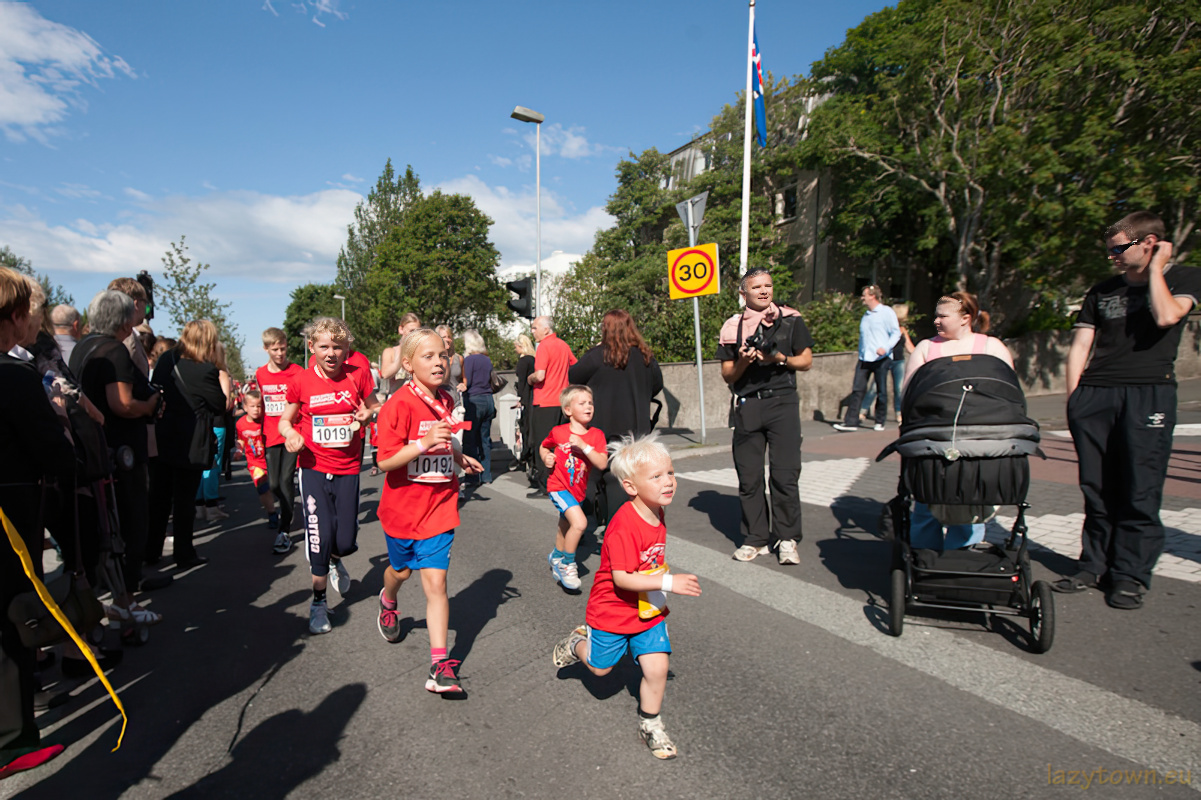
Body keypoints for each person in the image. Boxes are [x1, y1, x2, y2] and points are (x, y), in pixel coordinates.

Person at [1054, 211, 1201, 610]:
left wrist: (1156, 269)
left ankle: (1129, 575)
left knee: (1140, 488)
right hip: (1096, 396)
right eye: (1110, 250)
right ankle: (1092, 565)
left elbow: (1168, 316)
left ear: (1150, 242)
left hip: (1148, 394)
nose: (1112, 257)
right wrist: (1075, 401)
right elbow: (1081, 345)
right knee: (1097, 488)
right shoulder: (1101, 291)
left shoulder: (1184, 279)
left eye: (1119, 249)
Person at [551, 434, 701, 760]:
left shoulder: (658, 511)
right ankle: (577, 643)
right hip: (612, 610)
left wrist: (659, 586)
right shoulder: (623, 525)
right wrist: (669, 581)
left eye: (670, 473)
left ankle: (650, 723)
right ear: (631, 487)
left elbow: (648, 561)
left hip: (647, 608)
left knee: (657, 667)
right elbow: (620, 578)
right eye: (657, 477)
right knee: (601, 669)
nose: (668, 482)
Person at [373, 328, 483, 693]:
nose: (439, 362)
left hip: (439, 507)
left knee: (436, 583)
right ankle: (388, 600)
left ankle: (440, 664)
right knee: (401, 573)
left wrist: (458, 456)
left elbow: (445, 435)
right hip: (402, 511)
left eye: (442, 355)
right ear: (407, 365)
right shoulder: (398, 405)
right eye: (428, 357)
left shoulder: (446, 399)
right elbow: (386, 461)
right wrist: (421, 444)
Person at [0, 267, 74, 776]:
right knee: (14, 621)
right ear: (15, 315)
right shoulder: (12, 375)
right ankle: (13, 739)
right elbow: (54, 454)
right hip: (11, 514)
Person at [278, 318, 380, 635]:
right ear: (312, 347)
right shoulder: (302, 381)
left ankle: (337, 559)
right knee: (319, 536)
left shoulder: (358, 375)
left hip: (348, 467)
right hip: (313, 468)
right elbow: (285, 419)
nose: (331, 353)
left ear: (347, 348)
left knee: (346, 540)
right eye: (324, 346)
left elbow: (376, 405)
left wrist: (369, 413)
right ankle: (319, 602)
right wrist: (289, 436)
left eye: (337, 346)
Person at [902, 292, 1015, 549]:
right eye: (936, 316)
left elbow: (1008, 394)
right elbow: (909, 395)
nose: (936, 321)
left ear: (966, 318)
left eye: (943, 316)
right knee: (926, 505)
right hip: (934, 439)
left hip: (979, 441)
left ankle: (962, 559)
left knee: (970, 507)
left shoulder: (991, 346)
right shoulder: (927, 347)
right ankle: (925, 560)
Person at [717, 268, 814, 565]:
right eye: (756, 287)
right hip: (748, 404)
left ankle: (786, 538)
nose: (764, 291)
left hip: (782, 403)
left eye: (768, 286)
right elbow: (728, 375)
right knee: (749, 477)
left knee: (785, 475)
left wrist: (778, 358)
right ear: (743, 293)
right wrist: (745, 362)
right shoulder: (732, 327)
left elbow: (806, 360)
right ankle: (756, 538)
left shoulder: (790, 319)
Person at [71, 290, 166, 594]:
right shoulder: (114, 351)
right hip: (122, 450)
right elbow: (122, 403)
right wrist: (149, 406)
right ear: (125, 322)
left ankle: (112, 582)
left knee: (105, 520)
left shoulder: (83, 346)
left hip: (95, 446)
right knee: (134, 516)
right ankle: (130, 584)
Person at [569, 308, 664, 524]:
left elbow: (573, 375)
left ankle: (578, 524)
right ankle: (619, 527)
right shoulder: (645, 356)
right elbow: (657, 385)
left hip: (601, 427)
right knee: (624, 480)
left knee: (588, 477)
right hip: (636, 430)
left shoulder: (597, 355)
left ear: (605, 329)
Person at [147, 321, 228, 570]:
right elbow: (219, 404)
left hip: (162, 436)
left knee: (159, 500)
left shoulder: (166, 360)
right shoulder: (205, 369)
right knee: (184, 501)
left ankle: (150, 552)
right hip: (191, 440)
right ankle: (184, 553)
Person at [540, 385, 609, 592]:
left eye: (590, 403)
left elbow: (602, 463)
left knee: (565, 524)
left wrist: (584, 446)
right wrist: (547, 457)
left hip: (577, 490)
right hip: (558, 486)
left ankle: (556, 554)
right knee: (579, 523)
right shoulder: (559, 432)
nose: (588, 407)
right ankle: (567, 564)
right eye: (582, 403)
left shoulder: (596, 435)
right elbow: (544, 445)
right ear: (568, 410)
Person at [256, 327, 303, 555]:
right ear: (266, 349)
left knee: (285, 480)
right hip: (270, 433)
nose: (280, 353)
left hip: (292, 433)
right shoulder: (261, 374)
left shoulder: (297, 371)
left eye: (283, 348)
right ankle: (286, 509)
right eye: (275, 349)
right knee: (273, 484)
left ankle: (284, 529)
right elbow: (262, 404)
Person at [834, 285, 900, 432]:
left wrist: (886, 347)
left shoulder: (886, 312)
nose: (862, 298)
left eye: (864, 295)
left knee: (881, 390)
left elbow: (896, 333)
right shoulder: (866, 315)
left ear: (872, 296)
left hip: (881, 358)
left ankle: (880, 420)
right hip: (865, 357)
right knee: (858, 389)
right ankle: (851, 421)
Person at [528, 316, 577, 495]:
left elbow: (540, 375)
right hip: (562, 403)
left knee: (543, 445)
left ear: (546, 330)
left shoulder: (543, 347)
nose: (532, 331)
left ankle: (545, 485)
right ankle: (563, 483)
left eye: (534, 328)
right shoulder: (563, 345)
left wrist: (529, 378)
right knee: (561, 445)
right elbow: (576, 367)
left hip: (545, 402)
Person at [195, 343, 234, 522]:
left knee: (200, 464)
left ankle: (199, 505)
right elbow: (225, 404)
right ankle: (211, 506)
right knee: (213, 463)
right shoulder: (220, 373)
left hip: (200, 422)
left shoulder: (200, 371)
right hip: (217, 422)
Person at [861, 303, 915, 424]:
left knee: (898, 389)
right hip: (884, 360)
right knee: (874, 388)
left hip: (898, 360)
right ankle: (863, 410)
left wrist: (922, 354)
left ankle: (899, 413)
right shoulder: (887, 328)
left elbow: (910, 347)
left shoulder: (903, 330)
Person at [235, 390, 277, 528]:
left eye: (259, 406)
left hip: (270, 459)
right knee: (262, 487)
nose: (256, 410)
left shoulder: (267, 421)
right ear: (245, 407)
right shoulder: (241, 424)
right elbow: (241, 440)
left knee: (276, 486)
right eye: (252, 406)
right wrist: (238, 450)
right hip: (255, 462)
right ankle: (271, 513)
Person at [460, 329, 497, 485]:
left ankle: (472, 475)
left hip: (474, 400)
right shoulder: (486, 360)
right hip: (488, 399)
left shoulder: (468, 360)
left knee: (470, 439)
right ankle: (486, 474)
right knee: (485, 439)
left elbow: (466, 382)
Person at [379, 312, 422, 397]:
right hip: (396, 398)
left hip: (416, 397)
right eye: (411, 331)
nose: (414, 335)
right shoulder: (390, 352)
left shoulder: (420, 352)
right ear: (401, 329)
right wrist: (402, 350)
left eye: (417, 331)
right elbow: (385, 374)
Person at [513, 334, 537, 472]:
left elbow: (522, 382)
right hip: (534, 397)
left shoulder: (523, 361)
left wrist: (520, 399)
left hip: (526, 398)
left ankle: (526, 457)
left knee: (525, 429)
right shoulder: (534, 359)